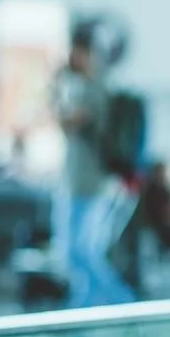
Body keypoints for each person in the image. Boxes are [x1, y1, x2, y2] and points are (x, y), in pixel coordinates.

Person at [53, 21, 136, 307]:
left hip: (92, 184)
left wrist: (57, 90)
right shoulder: (86, 86)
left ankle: (125, 302)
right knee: (76, 255)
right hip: (80, 182)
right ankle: (79, 312)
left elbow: (69, 121)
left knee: (82, 253)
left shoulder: (96, 87)